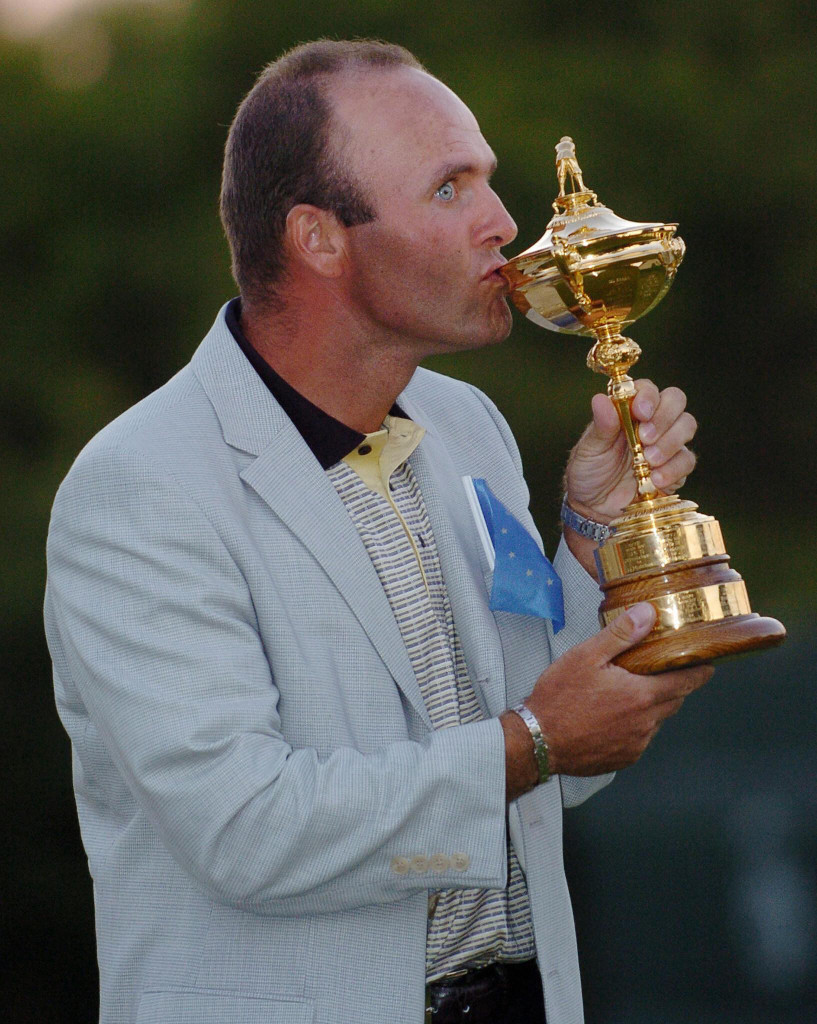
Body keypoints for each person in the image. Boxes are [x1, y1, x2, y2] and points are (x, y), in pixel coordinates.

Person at [44, 39, 711, 1024]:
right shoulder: (139, 487)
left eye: (485, 177)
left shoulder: (468, 429)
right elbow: (246, 831)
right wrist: (532, 740)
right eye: (450, 189)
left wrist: (592, 539)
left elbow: (542, 776)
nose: (503, 222)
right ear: (317, 237)